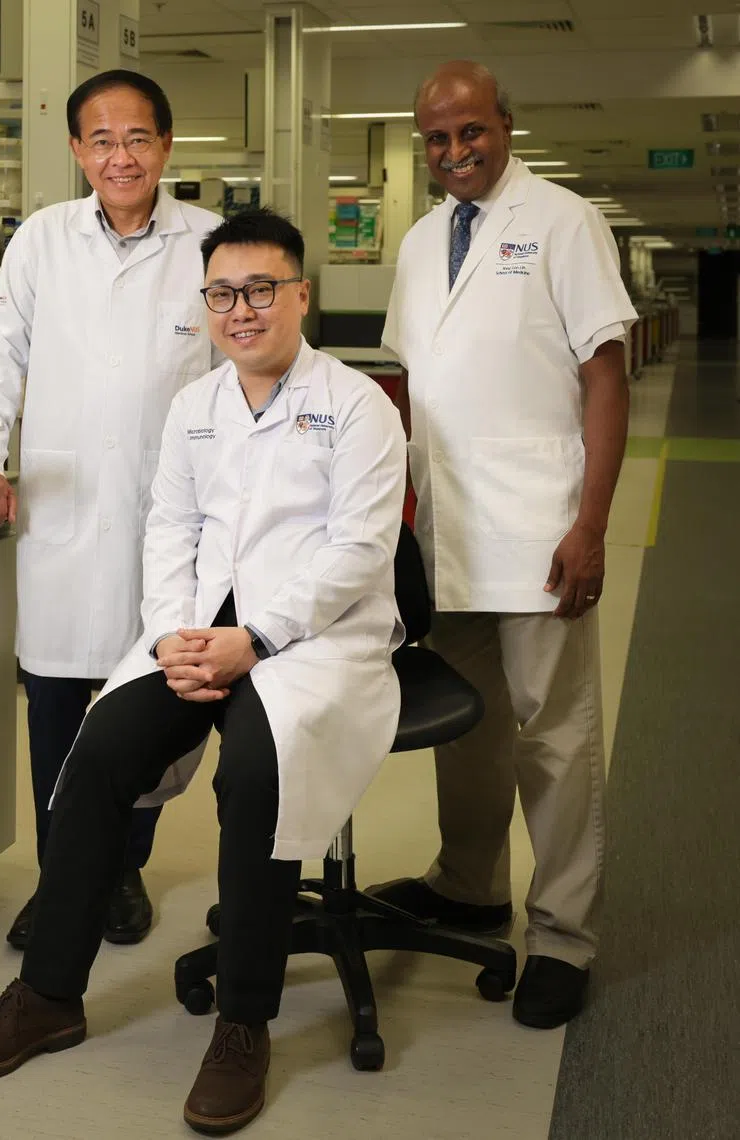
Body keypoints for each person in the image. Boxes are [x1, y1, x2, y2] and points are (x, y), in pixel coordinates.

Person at [0, 209, 406, 1134]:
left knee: (258, 774)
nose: (241, 309)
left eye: (261, 289)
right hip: (198, 631)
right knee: (102, 746)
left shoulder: (358, 406)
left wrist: (256, 638)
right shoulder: (199, 406)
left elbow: (357, 550)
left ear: (300, 296)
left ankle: (243, 1022)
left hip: (314, 639)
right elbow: (171, 532)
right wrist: (166, 638)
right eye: (223, 293)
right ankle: (48, 995)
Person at [373, 60, 637, 1029]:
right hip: (448, 531)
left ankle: (563, 934)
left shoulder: (563, 222)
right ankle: (468, 882)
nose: (454, 152)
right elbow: (417, 393)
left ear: (505, 126)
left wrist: (591, 525)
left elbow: (604, 376)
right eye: (436, 139)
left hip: (540, 529)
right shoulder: (416, 241)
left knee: (555, 738)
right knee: (468, 729)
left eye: (470, 132)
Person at [0, 70, 222, 950]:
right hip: (64, 512)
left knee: (152, 700)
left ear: (166, 147)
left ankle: (124, 868)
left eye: (137, 139)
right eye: (101, 141)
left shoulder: (209, 244)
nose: (120, 157)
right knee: (58, 703)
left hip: (173, 515)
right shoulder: (41, 240)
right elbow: (1, 355)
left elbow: (243, 371)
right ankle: (63, 876)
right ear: (77, 151)